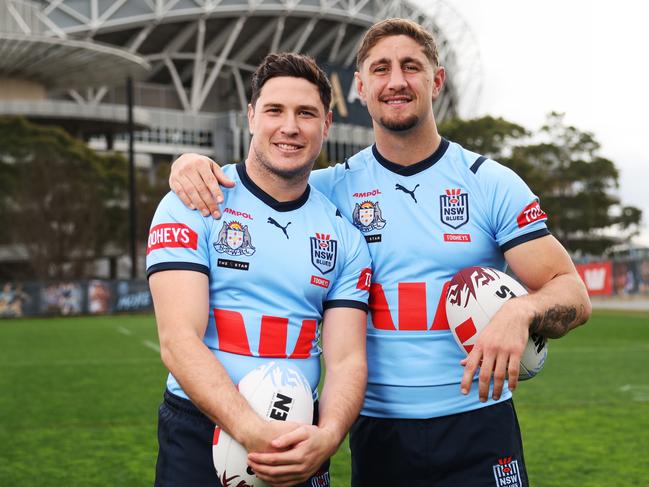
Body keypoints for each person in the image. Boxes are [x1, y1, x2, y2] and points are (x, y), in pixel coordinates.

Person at [167, 18, 592, 486]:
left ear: (436, 80)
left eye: (411, 66)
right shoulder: (329, 193)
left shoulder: (489, 182)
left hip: (478, 423)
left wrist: (521, 313)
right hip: (378, 431)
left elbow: (572, 292)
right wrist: (190, 165)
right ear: (360, 87)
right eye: (380, 68)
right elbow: (262, 182)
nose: (396, 81)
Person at [146, 52, 372, 487]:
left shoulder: (345, 236)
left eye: (306, 113)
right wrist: (250, 430)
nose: (289, 127)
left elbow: (347, 360)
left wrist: (327, 436)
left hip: (301, 434)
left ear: (326, 125)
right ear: (251, 117)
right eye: (274, 110)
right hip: (199, 429)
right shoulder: (194, 201)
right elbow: (178, 340)